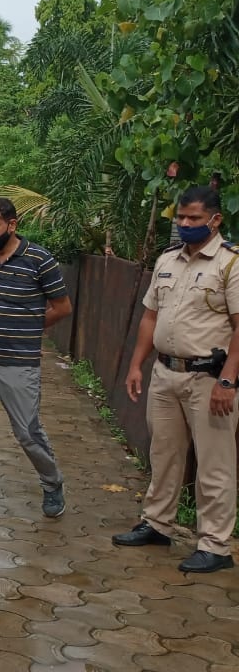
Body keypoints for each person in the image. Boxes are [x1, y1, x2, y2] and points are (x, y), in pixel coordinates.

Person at [114, 185, 237, 573]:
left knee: (214, 463)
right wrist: (137, 364)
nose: (185, 224)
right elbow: (150, 316)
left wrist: (228, 381)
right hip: (165, 373)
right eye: (180, 218)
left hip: (209, 378)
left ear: (215, 220)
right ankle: (157, 523)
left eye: (194, 219)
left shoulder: (230, 264)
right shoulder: (169, 259)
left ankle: (215, 545)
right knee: (163, 454)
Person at [0, 197, 71, 524]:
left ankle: (52, 483)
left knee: (27, 432)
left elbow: (62, 307)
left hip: (19, 363)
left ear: (12, 224)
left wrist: (28, 326)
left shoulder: (40, 260)